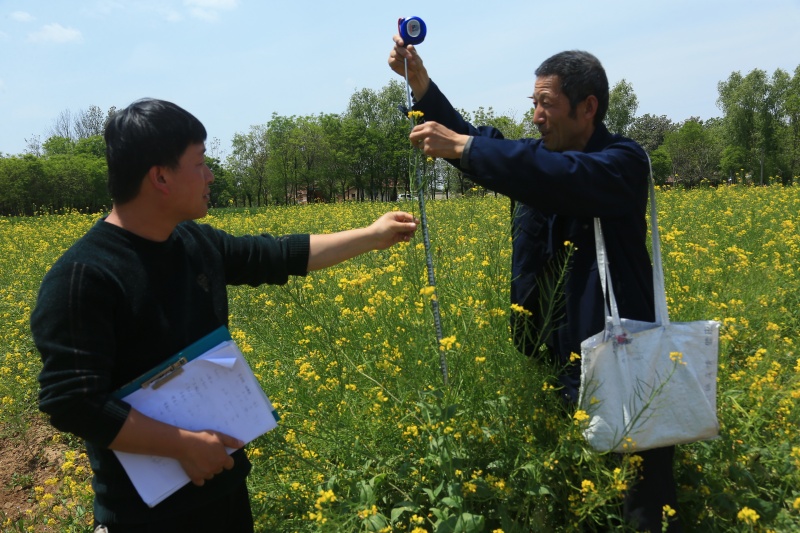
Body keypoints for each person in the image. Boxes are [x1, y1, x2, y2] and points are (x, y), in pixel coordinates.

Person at [30, 98, 418, 533]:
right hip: (147, 516)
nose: (210, 175)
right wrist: (182, 446)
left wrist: (373, 235)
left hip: (223, 488)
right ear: (160, 177)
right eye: (200, 163)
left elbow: (278, 255)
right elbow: (72, 403)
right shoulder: (84, 277)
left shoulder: (194, 243)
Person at [388, 39, 680, 532]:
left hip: (622, 359)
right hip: (556, 360)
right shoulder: (541, 157)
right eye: (534, 103)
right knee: (581, 498)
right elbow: (485, 147)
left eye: (547, 104)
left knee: (640, 505)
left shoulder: (622, 162)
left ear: (588, 107)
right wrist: (421, 87)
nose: (536, 116)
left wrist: (468, 149)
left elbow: (555, 175)